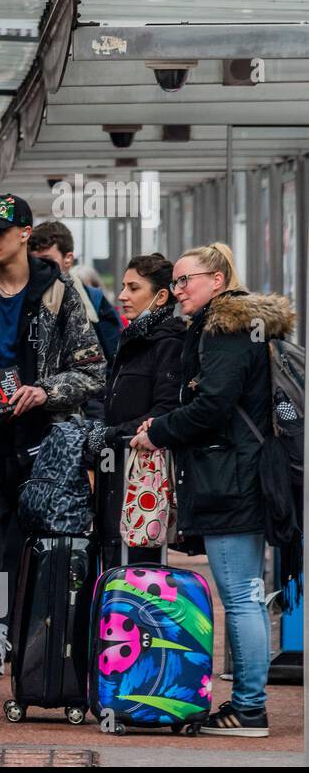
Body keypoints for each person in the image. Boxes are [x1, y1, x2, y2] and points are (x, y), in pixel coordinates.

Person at [129, 243, 292, 738]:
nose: (178, 291)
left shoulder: (225, 330)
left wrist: (158, 431)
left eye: (186, 280)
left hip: (233, 481)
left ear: (217, 280)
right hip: (244, 473)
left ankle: (248, 708)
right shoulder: (236, 326)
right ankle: (248, 704)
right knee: (246, 593)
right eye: (174, 282)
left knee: (241, 595)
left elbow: (214, 405)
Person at [0, 194, 105, 702]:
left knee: (52, 552)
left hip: (48, 447)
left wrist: (46, 390)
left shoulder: (61, 291)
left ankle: (45, 659)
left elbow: (93, 371)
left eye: (0, 230)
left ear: (25, 233)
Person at [83, 254, 184, 569]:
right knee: (113, 556)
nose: (122, 295)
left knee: (137, 564)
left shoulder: (168, 342)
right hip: (116, 470)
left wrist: (111, 435)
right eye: (123, 286)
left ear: (161, 296)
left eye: (133, 288)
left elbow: (164, 410)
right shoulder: (133, 339)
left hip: (143, 477)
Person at [28, 220, 123, 366]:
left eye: (46, 260)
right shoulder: (21, 298)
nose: (38, 267)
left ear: (68, 259)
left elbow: (112, 356)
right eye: (33, 261)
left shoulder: (93, 300)